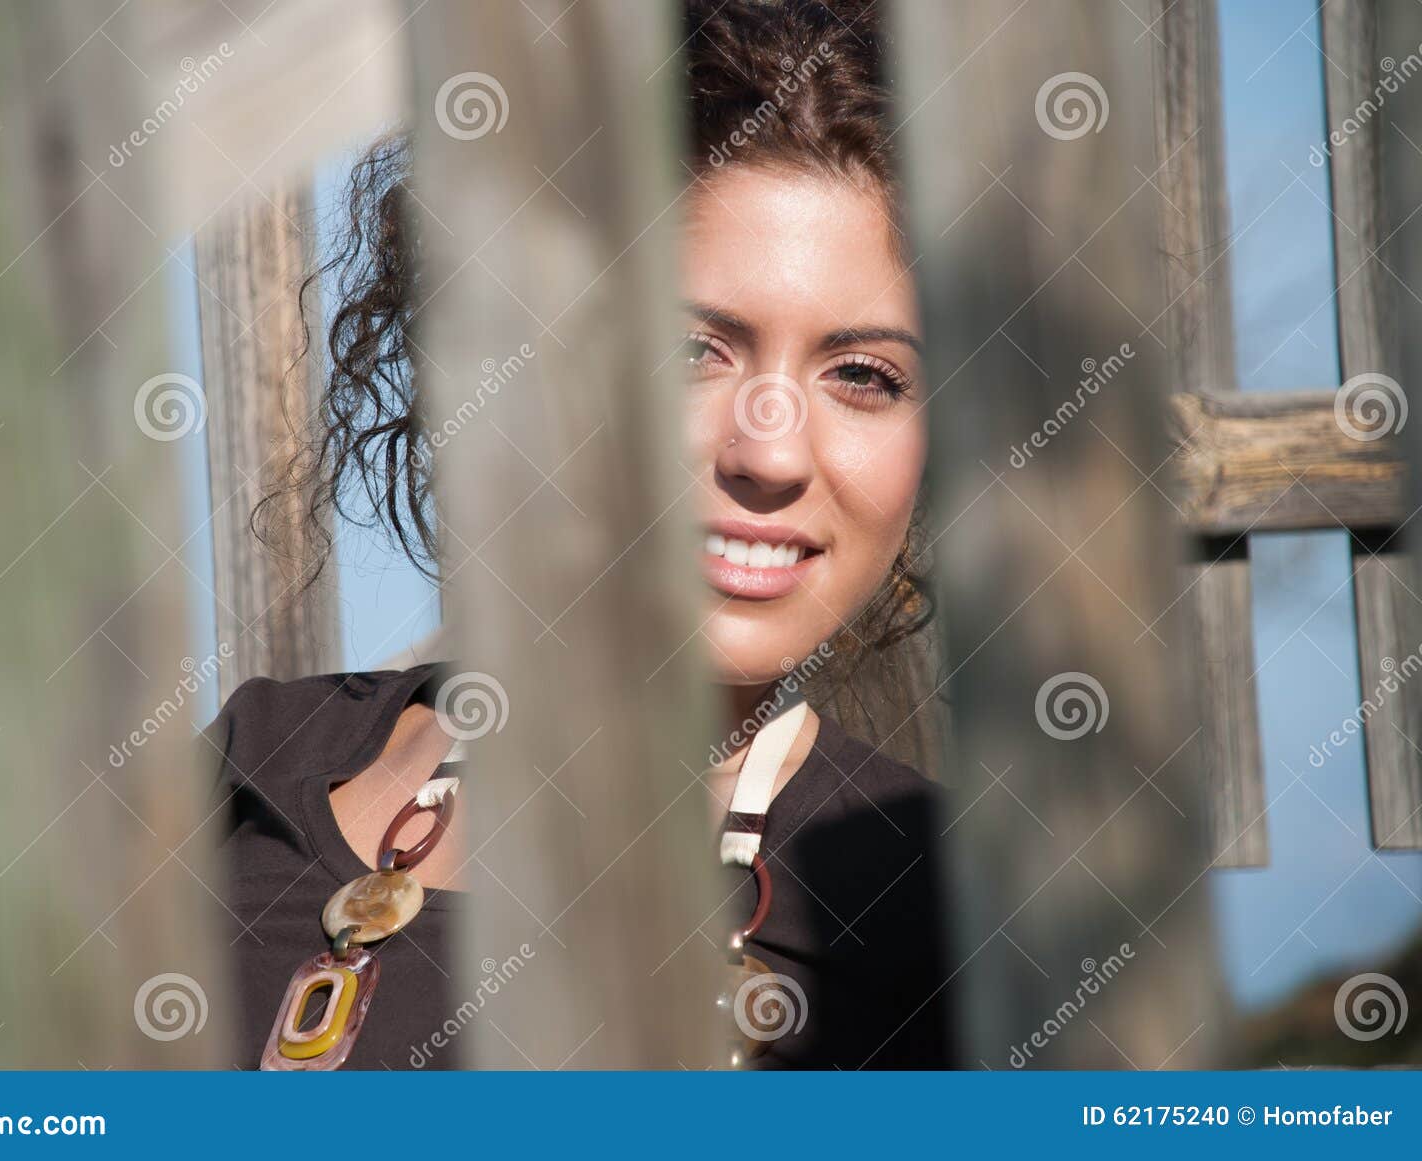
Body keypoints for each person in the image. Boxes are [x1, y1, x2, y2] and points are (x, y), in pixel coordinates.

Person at [208, 0, 952, 1070]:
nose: (772, 453)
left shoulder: (962, 913)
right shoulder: (253, 773)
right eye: (692, 350)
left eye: (863, 376)